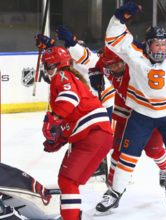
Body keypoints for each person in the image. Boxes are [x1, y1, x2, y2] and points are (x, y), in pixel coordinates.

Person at [95, 1, 166, 214]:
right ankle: (115, 193)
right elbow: (112, 39)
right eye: (156, 45)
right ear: (147, 45)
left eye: (163, 45)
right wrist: (118, 19)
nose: (161, 49)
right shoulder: (134, 52)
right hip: (141, 115)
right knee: (126, 158)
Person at [41, 46, 113, 220]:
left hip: (92, 134)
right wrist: (58, 140)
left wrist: (55, 118)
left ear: (53, 65)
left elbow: (69, 97)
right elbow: (74, 117)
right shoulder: (71, 77)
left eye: (47, 65)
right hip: (93, 135)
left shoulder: (61, 76)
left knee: (68, 181)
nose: (46, 70)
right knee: (66, 180)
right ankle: (70, 216)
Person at [35, 33, 115, 183]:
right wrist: (49, 47)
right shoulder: (71, 65)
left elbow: (64, 69)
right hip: (89, 103)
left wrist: (56, 117)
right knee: (83, 133)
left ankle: (107, 167)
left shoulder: (89, 59)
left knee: (102, 135)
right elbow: (58, 61)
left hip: (103, 102)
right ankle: (90, 164)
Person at [90, 46, 166, 188]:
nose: (115, 68)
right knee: (118, 151)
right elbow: (97, 66)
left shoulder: (138, 67)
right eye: (111, 65)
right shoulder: (105, 62)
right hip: (123, 114)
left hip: (146, 114)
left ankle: (165, 168)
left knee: (153, 151)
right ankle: (113, 189)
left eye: (118, 63)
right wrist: (95, 73)